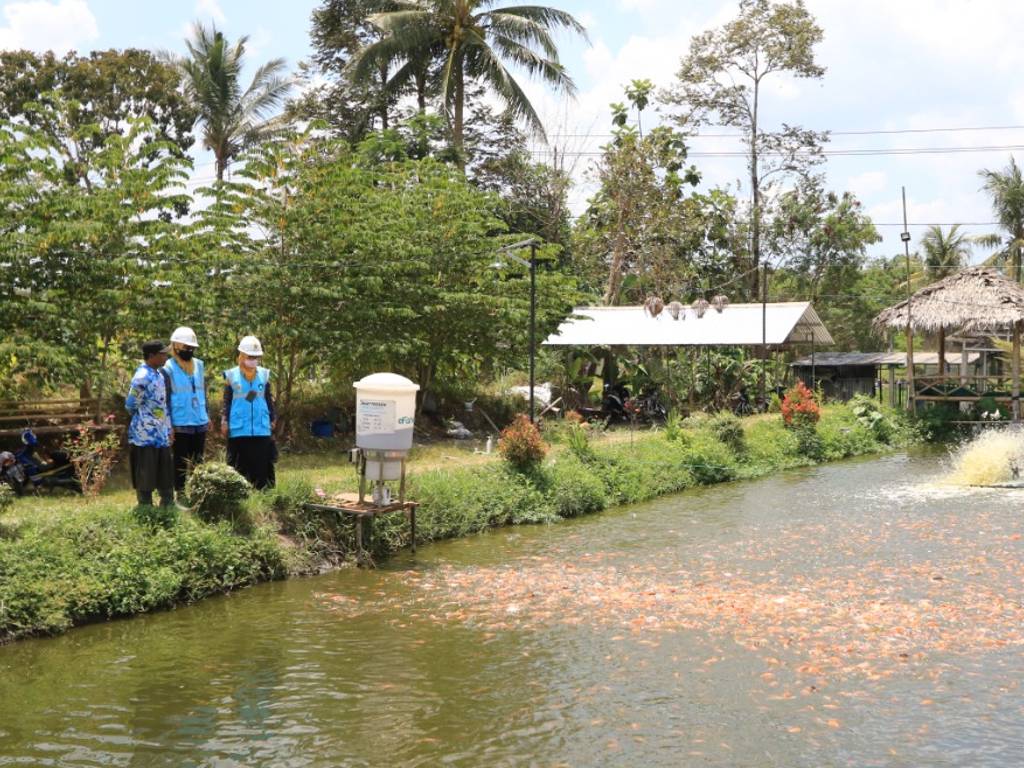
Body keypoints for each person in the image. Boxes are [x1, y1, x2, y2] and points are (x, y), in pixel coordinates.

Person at [222, 335, 276, 489]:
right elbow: (226, 400)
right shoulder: (232, 375)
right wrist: (224, 421)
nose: (253, 360)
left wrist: (273, 418)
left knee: (262, 465)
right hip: (239, 429)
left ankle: (264, 495)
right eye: (250, 356)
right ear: (242, 356)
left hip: (261, 428)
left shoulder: (264, 374)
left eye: (256, 357)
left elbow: (268, 398)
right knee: (240, 466)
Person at [126, 340, 174, 507]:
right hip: (145, 434)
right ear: (152, 356)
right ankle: (145, 505)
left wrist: (168, 428)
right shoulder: (142, 377)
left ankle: (167, 503)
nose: (166, 356)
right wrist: (147, 419)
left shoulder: (160, 375)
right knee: (146, 470)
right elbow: (131, 404)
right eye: (162, 354)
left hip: (161, 433)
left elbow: (163, 404)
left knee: (165, 470)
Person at [164, 326, 209, 496]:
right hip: (180, 422)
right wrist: (169, 426)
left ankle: (198, 490)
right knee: (180, 460)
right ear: (175, 346)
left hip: (199, 419)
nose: (189, 351)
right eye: (185, 347)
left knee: (198, 460)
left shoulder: (199, 365)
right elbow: (166, 400)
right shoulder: (168, 368)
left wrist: (207, 414)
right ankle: (181, 492)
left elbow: (202, 391)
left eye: (191, 348)